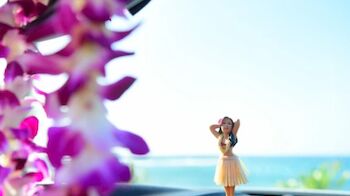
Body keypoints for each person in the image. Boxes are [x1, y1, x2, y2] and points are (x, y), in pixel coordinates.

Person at [209, 116, 247, 196]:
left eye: (229, 123)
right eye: (224, 123)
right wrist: (220, 124)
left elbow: (238, 121)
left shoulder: (233, 135)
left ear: (232, 126)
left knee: (231, 184)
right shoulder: (220, 137)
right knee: (226, 184)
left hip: (232, 161)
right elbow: (211, 127)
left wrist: (231, 126)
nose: (226, 125)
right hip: (223, 162)